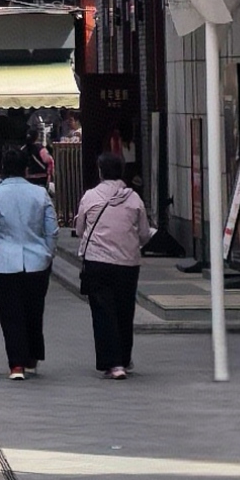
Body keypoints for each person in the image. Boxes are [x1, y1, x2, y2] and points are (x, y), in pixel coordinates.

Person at [0, 144, 59, 379]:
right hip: (37, 261)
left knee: (11, 313)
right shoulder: (40, 194)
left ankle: (16, 365)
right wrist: (48, 252)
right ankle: (32, 356)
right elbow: (52, 229)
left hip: (5, 262)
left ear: (3, 169)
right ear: (26, 169)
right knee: (34, 309)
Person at [75, 149, 153, 379]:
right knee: (124, 310)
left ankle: (113, 363)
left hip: (97, 262)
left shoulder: (90, 197)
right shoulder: (134, 198)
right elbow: (145, 234)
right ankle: (124, 358)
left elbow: (80, 230)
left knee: (103, 312)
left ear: (100, 171)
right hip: (128, 263)